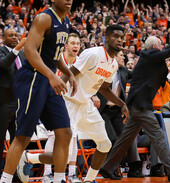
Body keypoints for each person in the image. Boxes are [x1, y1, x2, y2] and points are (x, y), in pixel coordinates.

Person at [100, 34, 170, 182]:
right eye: (160, 45)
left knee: (124, 140)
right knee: (158, 135)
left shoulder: (152, 56)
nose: (163, 47)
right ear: (155, 47)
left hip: (138, 105)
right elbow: (168, 51)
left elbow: (168, 49)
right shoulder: (149, 54)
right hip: (140, 105)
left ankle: (106, 168)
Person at [0, 0, 77, 182]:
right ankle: (5, 180)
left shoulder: (65, 21)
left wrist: (68, 73)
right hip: (33, 78)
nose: (69, 0)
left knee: (65, 133)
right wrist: (52, 76)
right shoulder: (44, 18)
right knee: (23, 137)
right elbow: (29, 50)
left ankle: (58, 179)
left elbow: (54, 55)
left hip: (48, 79)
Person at [60, 24, 129, 182]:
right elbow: (69, 73)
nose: (119, 40)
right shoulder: (93, 54)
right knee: (65, 147)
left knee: (104, 145)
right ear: (107, 38)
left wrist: (122, 104)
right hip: (68, 102)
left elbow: (104, 89)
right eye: (115, 36)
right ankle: (36, 162)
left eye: (121, 37)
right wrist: (53, 95)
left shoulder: (113, 65)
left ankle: (89, 179)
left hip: (86, 105)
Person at [42, 33, 81, 183]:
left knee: (73, 138)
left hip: (73, 103)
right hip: (55, 101)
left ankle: (71, 173)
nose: (75, 46)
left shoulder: (80, 61)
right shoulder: (57, 61)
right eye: (73, 43)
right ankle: (47, 173)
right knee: (53, 137)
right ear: (66, 46)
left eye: (77, 44)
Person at [99, 50, 143, 180]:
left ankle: (133, 169)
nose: (123, 57)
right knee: (113, 139)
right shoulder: (103, 70)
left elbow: (137, 76)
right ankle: (110, 169)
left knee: (127, 137)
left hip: (117, 110)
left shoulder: (123, 70)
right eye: (121, 55)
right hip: (102, 110)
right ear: (113, 57)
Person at [0, 28, 26, 183]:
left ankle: (14, 173)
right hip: (3, 103)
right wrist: (17, 49)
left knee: (17, 141)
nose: (14, 37)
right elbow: (3, 65)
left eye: (16, 35)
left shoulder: (23, 55)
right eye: (10, 35)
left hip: (19, 102)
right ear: (3, 37)